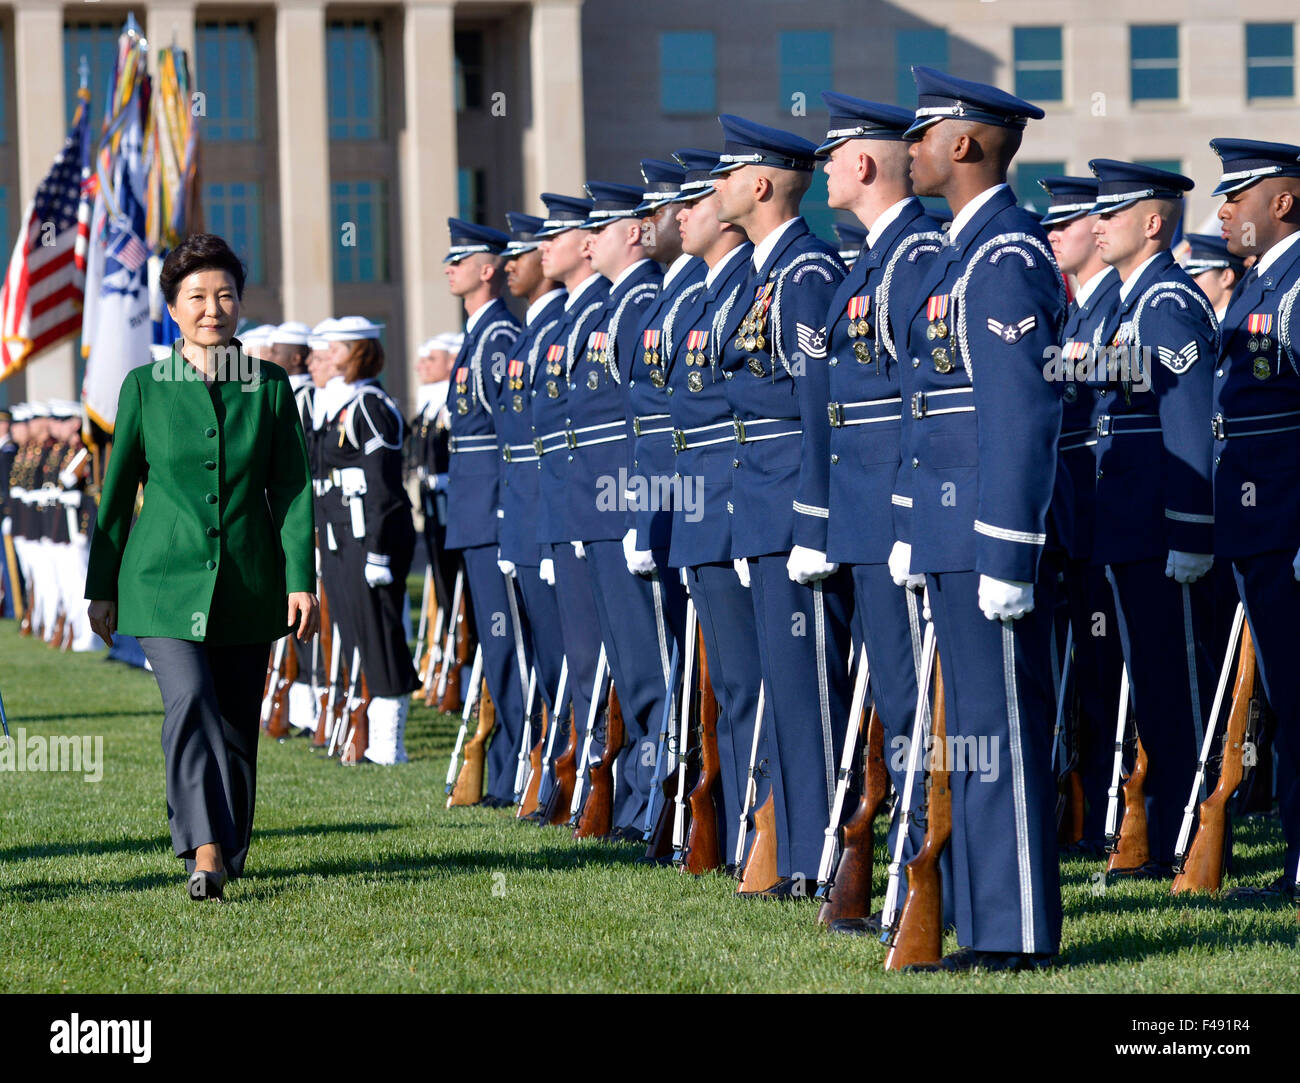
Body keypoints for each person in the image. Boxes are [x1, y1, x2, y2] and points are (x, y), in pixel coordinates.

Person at [84, 233, 318, 902]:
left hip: (248, 583)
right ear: (173, 309)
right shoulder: (146, 388)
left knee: (238, 720)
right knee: (189, 701)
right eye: (196, 297)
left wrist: (300, 576)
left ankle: (232, 843)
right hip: (160, 582)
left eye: (225, 295)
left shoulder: (269, 386)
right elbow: (116, 491)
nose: (212, 308)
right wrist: (101, 587)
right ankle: (204, 849)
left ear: (240, 303)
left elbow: (293, 487)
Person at [896, 67, 1065, 970]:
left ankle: (1019, 930)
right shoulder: (965, 253)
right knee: (971, 737)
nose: (910, 149)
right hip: (949, 529)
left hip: (984, 537)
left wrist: (1007, 547)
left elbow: (1022, 413)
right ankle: (984, 916)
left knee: (999, 732)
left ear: (963, 143)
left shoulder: (1006, 258)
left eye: (924, 133)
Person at [709, 114, 854, 897]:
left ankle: (823, 854)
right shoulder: (769, 274)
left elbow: (816, 401)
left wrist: (814, 517)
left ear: (759, 185)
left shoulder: (802, 275)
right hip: (760, 504)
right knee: (783, 685)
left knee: (811, 690)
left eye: (728, 176)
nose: (716, 189)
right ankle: (798, 849)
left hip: (792, 506)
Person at [814, 92, 946, 933]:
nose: (823, 169)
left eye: (833, 156)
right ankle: (901, 874)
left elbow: (920, 401)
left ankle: (923, 878)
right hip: (862, 518)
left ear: (863, 165)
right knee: (892, 710)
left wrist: (904, 516)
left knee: (914, 712)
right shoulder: (873, 259)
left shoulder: (913, 259)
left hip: (892, 519)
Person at [1089, 159, 1218, 879]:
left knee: (1174, 687)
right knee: (1150, 679)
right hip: (1128, 522)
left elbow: (1189, 423)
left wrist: (1190, 531)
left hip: (1160, 527)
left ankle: (1189, 837)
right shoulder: (1125, 301)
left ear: (1153, 222)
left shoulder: (1166, 302)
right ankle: (1163, 830)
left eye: (1113, 212)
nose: (1098, 224)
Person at [1207, 137, 1300, 900]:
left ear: (1284, 201)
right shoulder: (1258, 285)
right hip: (1259, 528)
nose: (1223, 209)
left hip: (1289, 530)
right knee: (1289, 699)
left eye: (1238, 196)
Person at [1038, 174, 1124, 855]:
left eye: (1062, 226)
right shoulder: (1073, 315)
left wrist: (1081, 361)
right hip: (1069, 525)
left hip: (1105, 522)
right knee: (1078, 682)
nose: (1050, 237)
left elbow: (1152, 372)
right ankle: (1085, 816)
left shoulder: (1122, 305)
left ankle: (1112, 823)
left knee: (1106, 681)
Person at [443, 218, 528, 805]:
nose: (449, 268)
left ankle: (519, 766)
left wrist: (504, 512)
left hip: (492, 508)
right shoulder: (478, 334)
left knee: (511, 644)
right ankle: (504, 764)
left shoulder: (497, 337)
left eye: (460, 259)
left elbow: (510, 432)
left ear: (488, 269)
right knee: (495, 645)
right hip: (473, 510)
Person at [316, 316, 421, 765]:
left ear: (359, 352)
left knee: (379, 635)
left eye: (337, 349)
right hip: (340, 536)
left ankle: (388, 743)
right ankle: (370, 737)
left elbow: (382, 487)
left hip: (367, 537)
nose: (326, 357)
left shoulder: (370, 406)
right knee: (356, 632)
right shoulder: (341, 404)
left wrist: (379, 549)